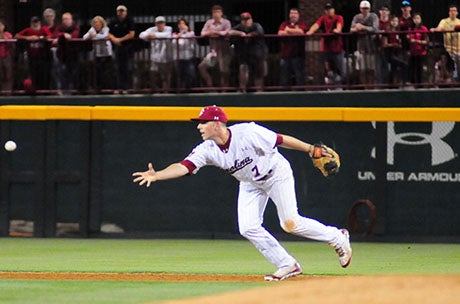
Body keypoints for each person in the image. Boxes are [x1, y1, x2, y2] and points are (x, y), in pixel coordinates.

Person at [132, 105, 353, 281]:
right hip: (250, 183)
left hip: (276, 173)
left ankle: (337, 237)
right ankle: (287, 264)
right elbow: (185, 166)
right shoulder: (207, 149)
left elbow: (280, 140)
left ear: (217, 124)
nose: (199, 126)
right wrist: (158, 175)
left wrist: (309, 149)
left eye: (203, 122)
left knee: (290, 223)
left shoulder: (248, 132)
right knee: (247, 227)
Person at [307, 3, 346, 87]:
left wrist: (337, 30)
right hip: (326, 50)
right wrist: (310, 31)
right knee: (328, 71)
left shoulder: (338, 17)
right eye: (327, 9)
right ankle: (330, 88)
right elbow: (316, 25)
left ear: (333, 10)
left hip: (337, 50)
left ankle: (339, 87)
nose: (329, 11)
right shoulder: (323, 18)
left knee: (342, 72)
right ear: (325, 11)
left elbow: (339, 26)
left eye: (331, 9)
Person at [230, 11, 267, 92]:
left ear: (251, 19)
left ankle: (259, 93)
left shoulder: (256, 25)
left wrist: (250, 35)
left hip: (257, 55)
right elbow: (230, 31)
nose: (246, 21)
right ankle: (242, 90)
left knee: (258, 75)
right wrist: (240, 33)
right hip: (244, 55)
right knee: (243, 71)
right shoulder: (239, 27)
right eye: (243, 19)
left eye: (247, 19)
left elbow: (260, 32)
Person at [198, 5, 232, 89]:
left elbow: (226, 33)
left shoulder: (226, 22)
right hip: (213, 51)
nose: (216, 14)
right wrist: (215, 33)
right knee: (201, 67)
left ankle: (224, 91)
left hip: (225, 51)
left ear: (221, 13)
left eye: (218, 12)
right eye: (214, 12)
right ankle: (210, 85)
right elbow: (202, 33)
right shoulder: (209, 22)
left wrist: (213, 32)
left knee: (224, 71)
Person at [15, 16, 51, 92]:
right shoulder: (28, 30)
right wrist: (28, 38)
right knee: (33, 74)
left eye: (37, 22)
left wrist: (39, 38)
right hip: (31, 57)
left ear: (39, 23)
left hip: (42, 56)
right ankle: (34, 90)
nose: (35, 24)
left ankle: (43, 91)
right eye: (34, 22)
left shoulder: (43, 29)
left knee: (42, 74)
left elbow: (50, 36)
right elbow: (17, 36)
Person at [139, 16, 173, 93]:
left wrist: (154, 35)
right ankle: (155, 91)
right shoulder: (152, 29)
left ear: (164, 23)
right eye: (158, 23)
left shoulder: (168, 28)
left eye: (162, 23)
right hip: (155, 57)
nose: (160, 24)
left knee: (166, 76)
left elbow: (167, 35)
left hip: (166, 57)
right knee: (153, 74)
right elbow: (141, 35)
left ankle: (166, 92)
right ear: (156, 24)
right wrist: (148, 35)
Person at [350, 1, 379, 87]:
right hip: (361, 47)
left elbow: (375, 28)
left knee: (371, 69)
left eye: (366, 8)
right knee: (362, 69)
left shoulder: (373, 16)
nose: (365, 10)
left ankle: (371, 87)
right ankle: (365, 86)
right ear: (360, 9)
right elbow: (351, 29)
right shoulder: (357, 17)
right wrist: (357, 29)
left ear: (369, 9)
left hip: (371, 47)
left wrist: (362, 27)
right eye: (363, 8)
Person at [108, 5, 136, 94]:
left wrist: (120, 39)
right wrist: (114, 39)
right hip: (117, 48)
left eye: (122, 11)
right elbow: (108, 33)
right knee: (118, 68)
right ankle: (118, 88)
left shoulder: (130, 20)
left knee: (128, 68)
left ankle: (128, 88)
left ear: (126, 12)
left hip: (128, 48)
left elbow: (132, 34)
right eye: (119, 11)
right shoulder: (113, 21)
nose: (121, 13)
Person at [278, 8, 307, 88]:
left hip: (298, 55)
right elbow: (280, 33)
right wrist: (294, 31)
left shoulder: (302, 23)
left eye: (295, 13)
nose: (293, 15)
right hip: (285, 55)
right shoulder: (284, 24)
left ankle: (300, 96)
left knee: (299, 77)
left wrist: (288, 30)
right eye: (291, 13)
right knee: (285, 78)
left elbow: (301, 32)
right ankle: (286, 96)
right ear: (289, 15)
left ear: (298, 15)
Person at [52, 12, 81, 94]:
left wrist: (60, 38)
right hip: (61, 55)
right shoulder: (60, 27)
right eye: (64, 19)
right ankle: (61, 90)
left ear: (71, 19)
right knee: (60, 73)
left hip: (73, 55)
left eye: (67, 19)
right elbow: (55, 34)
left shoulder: (75, 27)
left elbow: (74, 35)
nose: (65, 21)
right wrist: (64, 35)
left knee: (72, 74)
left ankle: (71, 91)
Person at [430, 4, 460, 81]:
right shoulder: (444, 21)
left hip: (459, 49)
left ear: (457, 13)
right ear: (449, 12)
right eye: (451, 11)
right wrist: (434, 29)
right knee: (447, 64)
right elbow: (439, 28)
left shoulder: (459, 22)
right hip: (448, 49)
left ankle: (456, 79)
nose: (452, 12)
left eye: (454, 11)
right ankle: (448, 79)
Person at [83, 15, 113, 92]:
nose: (97, 25)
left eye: (98, 23)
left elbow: (104, 36)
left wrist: (95, 36)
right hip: (97, 54)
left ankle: (108, 88)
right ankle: (99, 88)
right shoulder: (92, 29)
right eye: (95, 23)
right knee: (98, 72)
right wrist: (91, 34)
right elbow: (84, 37)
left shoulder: (106, 29)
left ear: (102, 23)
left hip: (106, 54)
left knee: (107, 72)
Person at [381, 15, 406, 86]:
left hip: (396, 53)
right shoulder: (387, 32)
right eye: (393, 21)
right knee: (404, 64)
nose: (395, 23)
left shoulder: (398, 32)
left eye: (396, 21)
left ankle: (392, 84)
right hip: (389, 53)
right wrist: (393, 44)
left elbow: (399, 42)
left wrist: (399, 45)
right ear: (390, 22)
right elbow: (384, 44)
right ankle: (403, 82)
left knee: (393, 69)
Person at [0, 19, 14, 94]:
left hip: (7, 55)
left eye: (1, 25)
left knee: (8, 74)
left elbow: (11, 45)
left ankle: (8, 91)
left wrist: (5, 38)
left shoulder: (8, 34)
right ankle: (1, 90)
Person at [173, 18, 196, 91]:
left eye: (183, 23)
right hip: (179, 58)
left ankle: (189, 90)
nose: (182, 25)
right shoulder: (175, 34)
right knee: (180, 76)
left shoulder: (191, 33)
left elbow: (190, 42)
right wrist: (179, 37)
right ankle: (181, 92)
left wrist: (184, 34)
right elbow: (176, 44)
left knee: (191, 74)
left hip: (188, 57)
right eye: (180, 24)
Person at [408, 13, 428, 87]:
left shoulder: (423, 28)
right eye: (415, 18)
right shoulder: (411, 29)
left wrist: (417, 41)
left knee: (420, 69)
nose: (416, 20)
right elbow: (409, 39)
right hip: (413, 52)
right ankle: (413, 84)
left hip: (421, 52)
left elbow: (426, 41)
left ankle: (420, 85)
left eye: (418, 18)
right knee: (412, 69)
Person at [376, 6, 391, 85]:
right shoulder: (377, 22)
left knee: (389, 68)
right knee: (378, 69)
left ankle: (390, 86)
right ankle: (379, 86)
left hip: (390, 49)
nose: (384, 12)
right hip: (378, 49)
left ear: (388, 12)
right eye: (382, 10)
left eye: (385, 10)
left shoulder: (391, 22)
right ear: (379, 12)